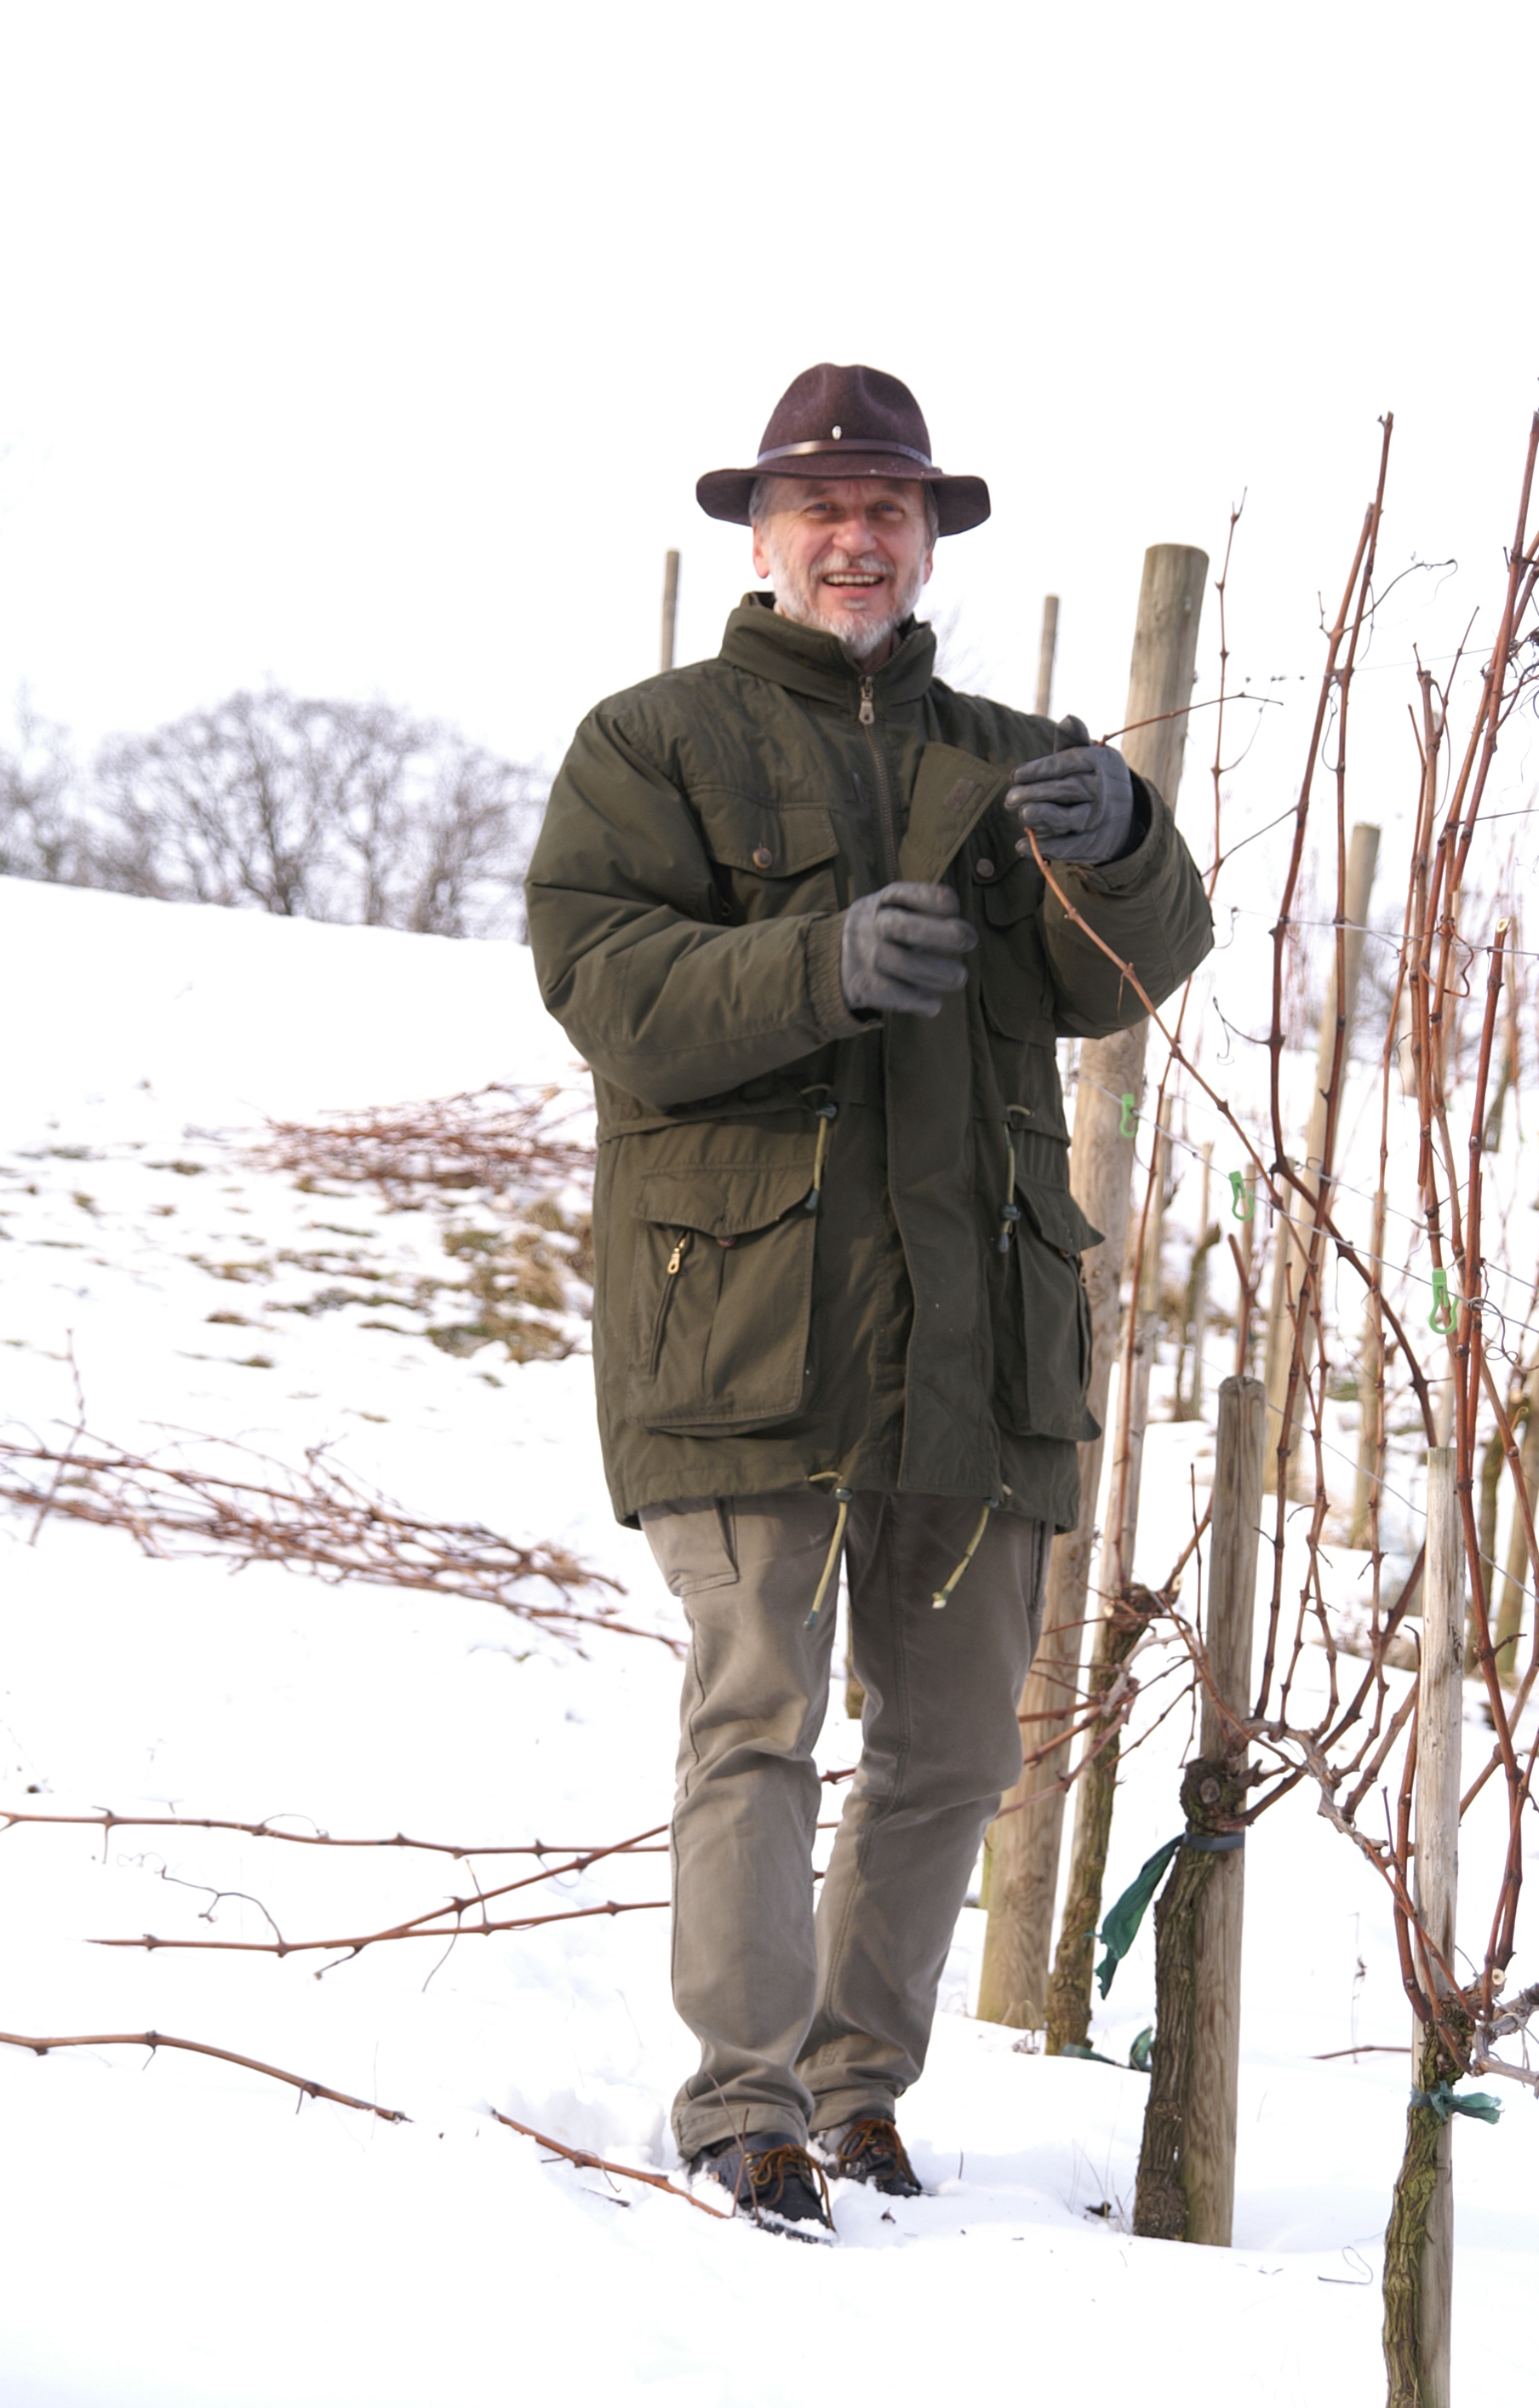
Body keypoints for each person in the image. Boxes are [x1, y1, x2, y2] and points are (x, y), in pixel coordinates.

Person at [525, 364, 1211, 2239]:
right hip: (747, 1320)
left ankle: (856, 2091)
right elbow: (607, 986)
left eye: (889, 509)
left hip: (976, 1329)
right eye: (823, 509)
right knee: (759, 1707)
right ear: (760, 536)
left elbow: (1124, 978)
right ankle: (744, 2100)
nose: (857, 538)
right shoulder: (650, 744)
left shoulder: (1007, 754)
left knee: (959, 1745)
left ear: (926, 539)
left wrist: (1123, 838)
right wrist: (815, 965)